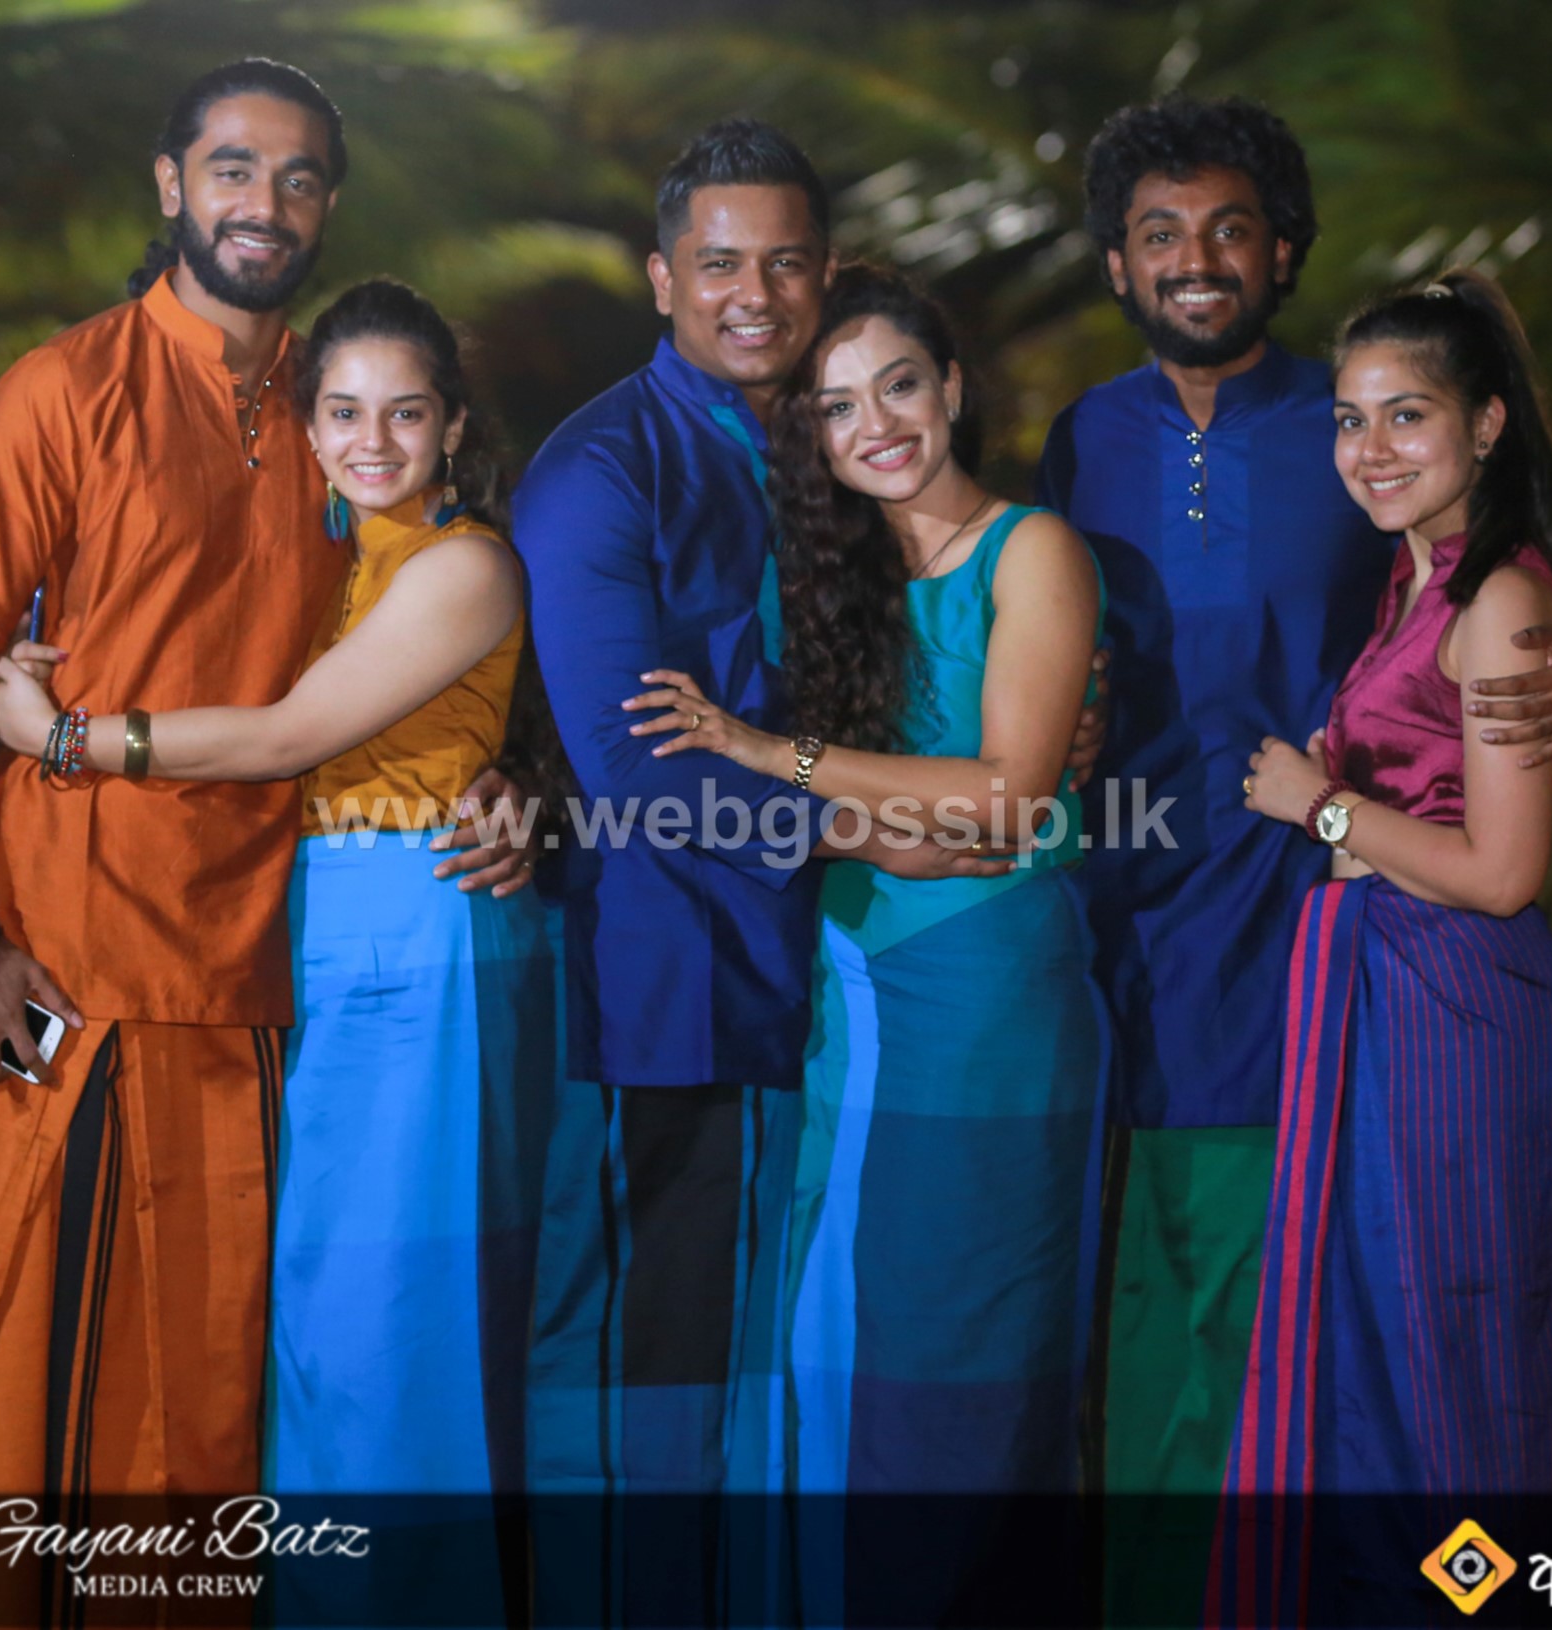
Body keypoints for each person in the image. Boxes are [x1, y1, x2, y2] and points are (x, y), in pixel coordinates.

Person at [0, 62, 526, 1593]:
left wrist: (510, 773)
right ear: (172, 185)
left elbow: (421, 617)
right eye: (234, 168)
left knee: (222, 1370)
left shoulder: (334, 405)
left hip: (266, 961)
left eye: (299, 177)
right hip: (71, 949)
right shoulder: (64, 390)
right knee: (29, 1346)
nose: (265, 202)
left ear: (329, 206)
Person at [1030, 92, 1552, 1622]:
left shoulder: (1359, 420)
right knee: (1135, 1292)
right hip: (1123, 922)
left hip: (1325, 943)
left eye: (1231, 227)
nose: (1198, 258)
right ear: (1116, 264)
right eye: (1161, 233)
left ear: (1284, 250)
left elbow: (1542, 575)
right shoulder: (1084, 439)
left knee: (1341, 1308)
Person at [513, 119, 1046, 1625]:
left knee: (772, 1381)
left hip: (838, 988)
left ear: (827, 273)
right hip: (667, 989)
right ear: (662, 277)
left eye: (788, 263)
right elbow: (633, 773)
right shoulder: (601, 468)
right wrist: (877, 830)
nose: (755, 294)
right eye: (721, 263)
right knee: (645, 1381)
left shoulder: (836, 445)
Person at [0, 277, 555, 1621]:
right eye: (343, 412)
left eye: (404, 412)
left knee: (387, 1321)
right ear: (305, 426)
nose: (372, 439)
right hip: (309, 922)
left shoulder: (462, 563)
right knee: (306, 1311)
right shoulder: (320, 552)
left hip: (417, 920)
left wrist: (63, 735)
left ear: (452, 424)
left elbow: (287, 736)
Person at [629, 261, 1108, 1620]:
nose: (876, 425)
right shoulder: (828, 578)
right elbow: (845, 809)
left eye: (898, 385)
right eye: (838, 408)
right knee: (835, 1319)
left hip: (986, 995)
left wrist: (772, 756)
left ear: (951, 387)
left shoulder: (1033, 552)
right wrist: (855, 819)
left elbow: (1006, 799)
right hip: (846, 991)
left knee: (964, 1329)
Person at [1216, 269, 1552, 1623]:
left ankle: (1477, 1604)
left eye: (1406, 415)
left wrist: (1320, 804)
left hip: (1456, 1010)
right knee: (1380, 1347)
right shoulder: (1417, 572)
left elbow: (1503, 872)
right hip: (1385, 997)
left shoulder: (1501, 600)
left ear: (1486, 424)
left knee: (1459, 1346)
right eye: (1348, 418)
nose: (1369, 449)